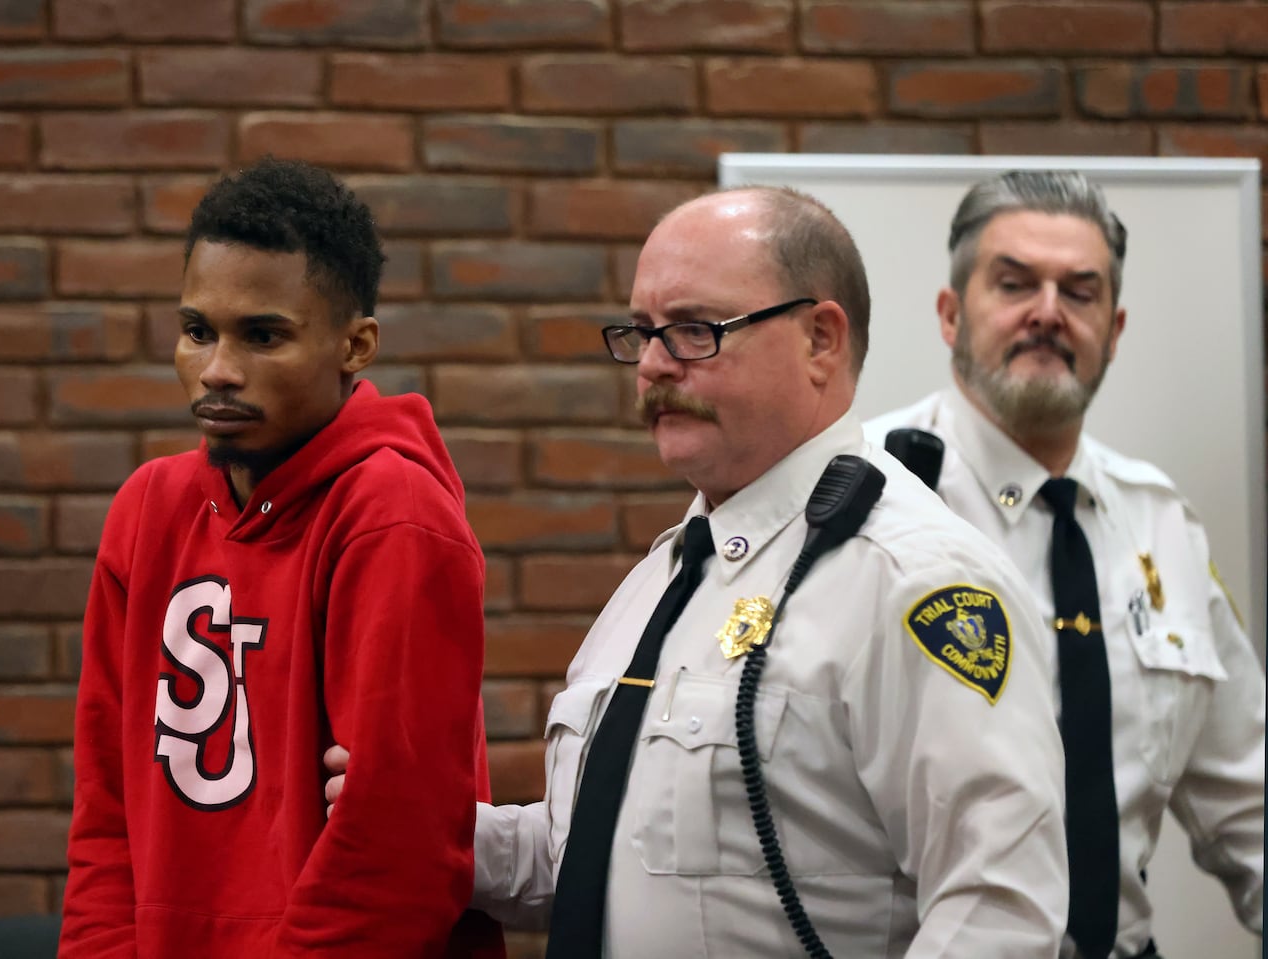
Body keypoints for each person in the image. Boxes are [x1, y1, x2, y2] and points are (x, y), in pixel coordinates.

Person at [332, 186, 1070, 955]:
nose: (652, 365)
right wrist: (422, 821)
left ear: (821, 338)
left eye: (693, 331)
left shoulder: (913, 581)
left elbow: (999, 907)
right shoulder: (665, 578)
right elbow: (593, 858)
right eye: (642, 333)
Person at [59, 157, 504, 959]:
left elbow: (393, 851)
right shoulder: (147, 508)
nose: (219, 370)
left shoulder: (392, 516)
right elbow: (105, 808)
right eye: (198, 331)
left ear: (355, 345)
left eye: (263, 335)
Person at [864, 169, 1265, 958]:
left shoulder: (1160, 524)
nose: (1047, 312)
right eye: (1014, 284)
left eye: (1079, 293)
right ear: (950, 315)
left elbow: (1249, 800)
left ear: (1113, 331)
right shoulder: (863, 497)